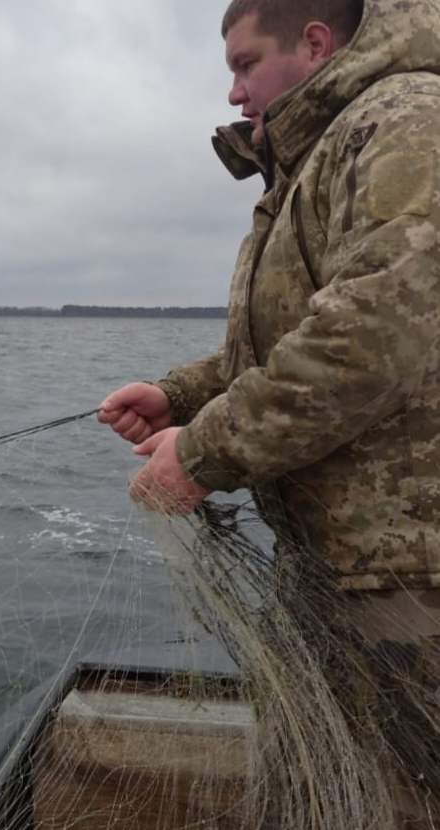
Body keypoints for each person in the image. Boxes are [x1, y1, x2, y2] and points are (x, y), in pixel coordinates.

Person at [98, 0, 440, 824]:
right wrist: (181, 396)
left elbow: (373, 335)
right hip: (324, 565)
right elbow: (286, 337)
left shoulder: (406, 120)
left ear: (314, 43)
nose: (232, 94)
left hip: (402, 578)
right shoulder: (305, 158)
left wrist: (202, 452)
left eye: (244, 65)